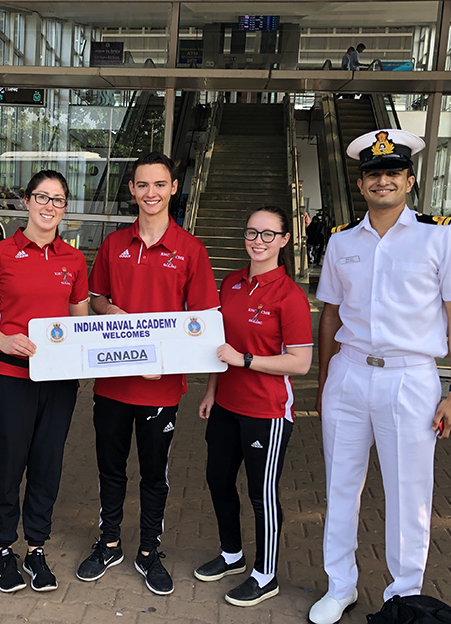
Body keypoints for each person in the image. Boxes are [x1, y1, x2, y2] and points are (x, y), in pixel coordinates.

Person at [308, 129, 451, 624]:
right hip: (349, 375)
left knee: (409, 492)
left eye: (392, 173)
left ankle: (403, 595)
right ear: (361, 184)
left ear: (409, 180)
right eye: (372, 174)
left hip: (410, 380)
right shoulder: (342, 242)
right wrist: (323, 385)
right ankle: (339, 585)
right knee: (341, 486)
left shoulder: (441, 234)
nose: (382, 181)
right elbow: (329, 316)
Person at [76, 152, 219, 595]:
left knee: (154, 474)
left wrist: (170, 362)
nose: (150, 193)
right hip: (112, 383)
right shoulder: (114, 244)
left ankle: (148, 550)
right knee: (110, 467)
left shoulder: (191, 250)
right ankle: (110, 541)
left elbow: (204, 323)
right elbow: (95, 298)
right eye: (142, 185)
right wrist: (108, 307)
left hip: (162, 387)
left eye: (160, 184)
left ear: (173, 188)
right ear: (133, 190)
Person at [0, 170, 89, 594]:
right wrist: (1, 339)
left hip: (57, 384)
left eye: (57, 199)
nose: (49, 206)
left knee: (47, 468)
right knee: (7, 467)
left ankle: (36, 549)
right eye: (42, 197)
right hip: (10, 379)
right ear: (27, 201)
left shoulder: (74, 260)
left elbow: (81, 320)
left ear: (65, 208)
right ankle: (4, 550)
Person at [195, 206, 313, 607]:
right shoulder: (230, 283)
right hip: (226, 403)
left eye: (268, 234)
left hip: (267, 410)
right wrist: (212, 390)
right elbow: (218, 349)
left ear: (284, 240)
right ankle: (232, 555)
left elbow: (300, 362)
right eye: (251, 233)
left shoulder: (290, 297)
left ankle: (266, 575)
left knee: (261, 493)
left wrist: (245, 360)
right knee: (217, 480)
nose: (258, 241)